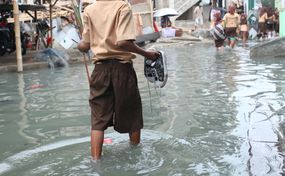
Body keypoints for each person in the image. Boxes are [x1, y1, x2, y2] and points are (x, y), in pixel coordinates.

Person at [77, 0, 160, 160]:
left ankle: (95, 162)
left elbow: (85, 45)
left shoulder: (89, 10)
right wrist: (147, 54)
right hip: (122, 69)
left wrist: (80, 46)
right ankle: (135, 157)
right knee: (132, 114)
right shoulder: (122, 6)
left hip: (99, 70)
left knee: (98, 119)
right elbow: (123, 42)